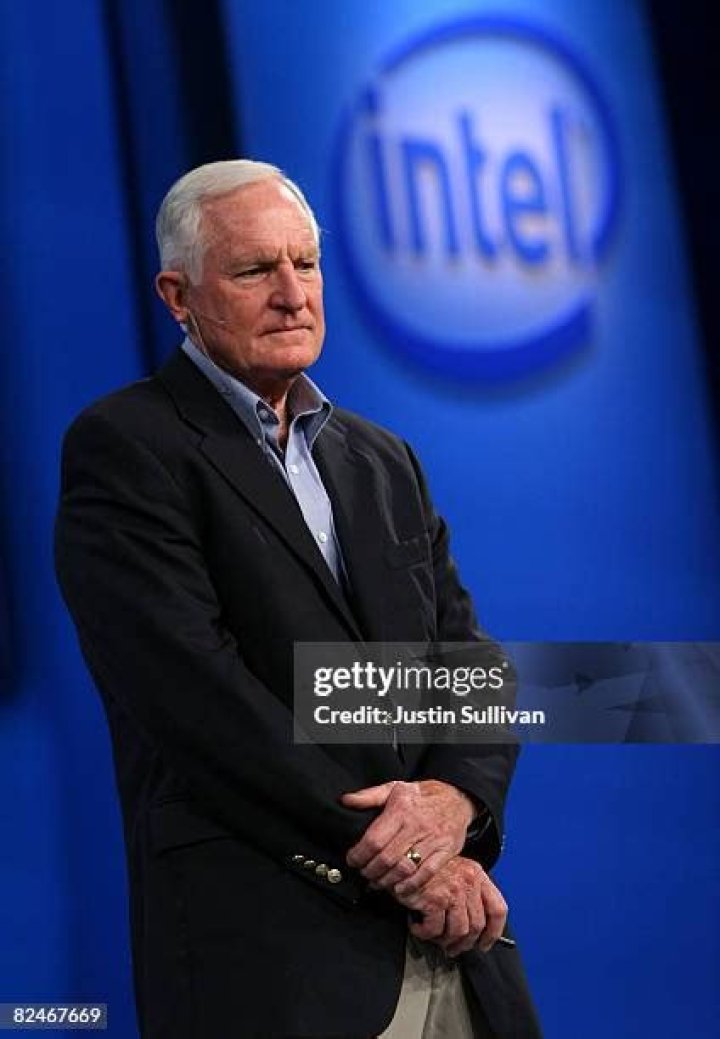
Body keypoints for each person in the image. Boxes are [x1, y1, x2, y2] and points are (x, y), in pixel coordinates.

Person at [55, 160, 541, 1038]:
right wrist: (413, 857)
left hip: (452, 948)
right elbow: (198, 697)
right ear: (178, 295)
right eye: (255, 270)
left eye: (305, 264)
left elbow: (469, 668)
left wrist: (455, 803)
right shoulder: (129, 447)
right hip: (277, 954)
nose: (292, 294)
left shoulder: (382, 459)